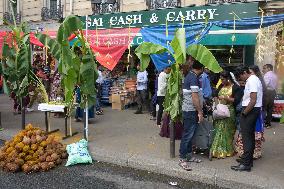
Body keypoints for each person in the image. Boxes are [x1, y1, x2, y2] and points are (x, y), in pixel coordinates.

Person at [231, 66, 263, 172]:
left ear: (245, 72)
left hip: (250, 111)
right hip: (252, 110)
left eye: (240, 77)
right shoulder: (254, 79)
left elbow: (253, 100)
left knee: (247, 138)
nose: (241, 80)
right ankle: (247, 160)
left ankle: (246, 164)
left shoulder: (252, 80)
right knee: (249, 137)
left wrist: (244, 113)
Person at [178, 59, 204, 171]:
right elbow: (194, 97)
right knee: (188, 135)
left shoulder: (190, 76)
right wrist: (200, 112)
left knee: (190, 134)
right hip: (190, 111)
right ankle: (182, 158)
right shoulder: (193, 78)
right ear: (201, 68)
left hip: (189, 110)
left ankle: (188, 156)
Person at [210, 71, 236, 159]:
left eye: (223, 79)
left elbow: (237, 100)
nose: (221, 81)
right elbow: (215, 95)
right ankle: (216, 150)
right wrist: (216, 103)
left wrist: (226, 98)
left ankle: (226, 150)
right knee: (218, 130)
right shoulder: (221, 86)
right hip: (220, 111)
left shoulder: (235, 87)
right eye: (220, 79)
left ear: (228, 78)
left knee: (226, 131)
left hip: (229, 111)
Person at [262, 64, 278, 128]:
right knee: (270, 108)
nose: (263, 70)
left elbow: (265, 85)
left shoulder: (267, 75)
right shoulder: (274, 75)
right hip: (273, 92)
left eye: (264, 68)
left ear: (268, 68)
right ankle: (268, 123)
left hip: (267, 92)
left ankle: (263, 122)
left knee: (264, 108)